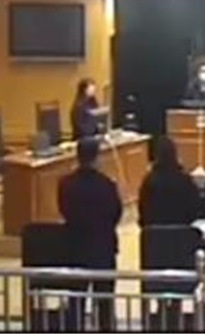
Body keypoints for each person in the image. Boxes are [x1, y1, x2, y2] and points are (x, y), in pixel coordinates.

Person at [58, 137, 122, 330]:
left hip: (75, 249)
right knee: (105, 303)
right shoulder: (107, 185)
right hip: (103, 250)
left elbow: (64, 210)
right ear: (97, 158)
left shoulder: (66, 184)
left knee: (75, 302)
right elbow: (116, 214)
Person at [138, 137, 200, 226]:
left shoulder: (148, 181)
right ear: (175, 155)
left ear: (156, 156)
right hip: (183, 232)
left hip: (154, 233)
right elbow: (195, 211)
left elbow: (143, 214)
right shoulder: (185, 180)